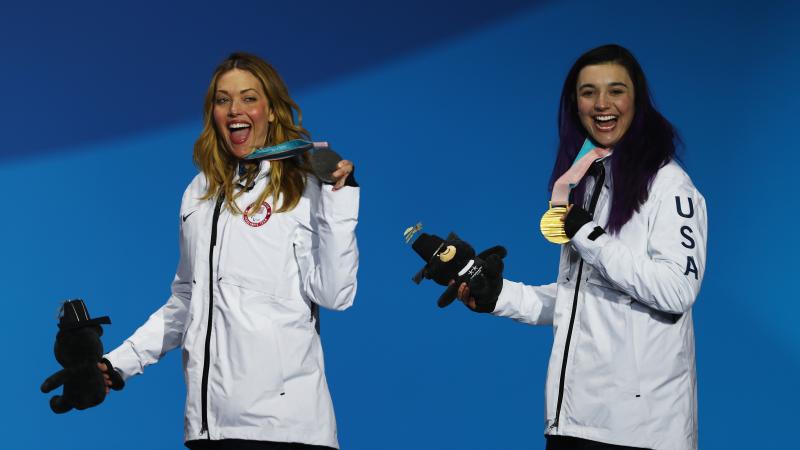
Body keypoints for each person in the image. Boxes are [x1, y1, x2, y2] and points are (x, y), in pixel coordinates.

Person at [99, 52, 359, 450]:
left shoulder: (303, 185)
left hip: (286, 431)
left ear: (271, 110)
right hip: (209, 430)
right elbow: (188, 300)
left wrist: (340, 203)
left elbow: (335, 295)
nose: (235, 110)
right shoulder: (199, 192)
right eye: (223, 100)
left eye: (249, 98)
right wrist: (116, 365)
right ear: (213, 112)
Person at [456, 44, 706, 450]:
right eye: (588, 92)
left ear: (637, 100)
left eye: (615, 90)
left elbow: (677, 290)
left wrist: (590, 236)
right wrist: (499, 296)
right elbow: (584, 302)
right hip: (573, 423)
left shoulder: (669, 186)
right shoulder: (589, 182)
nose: (601, 103)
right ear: (574, 104)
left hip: (640, 433)